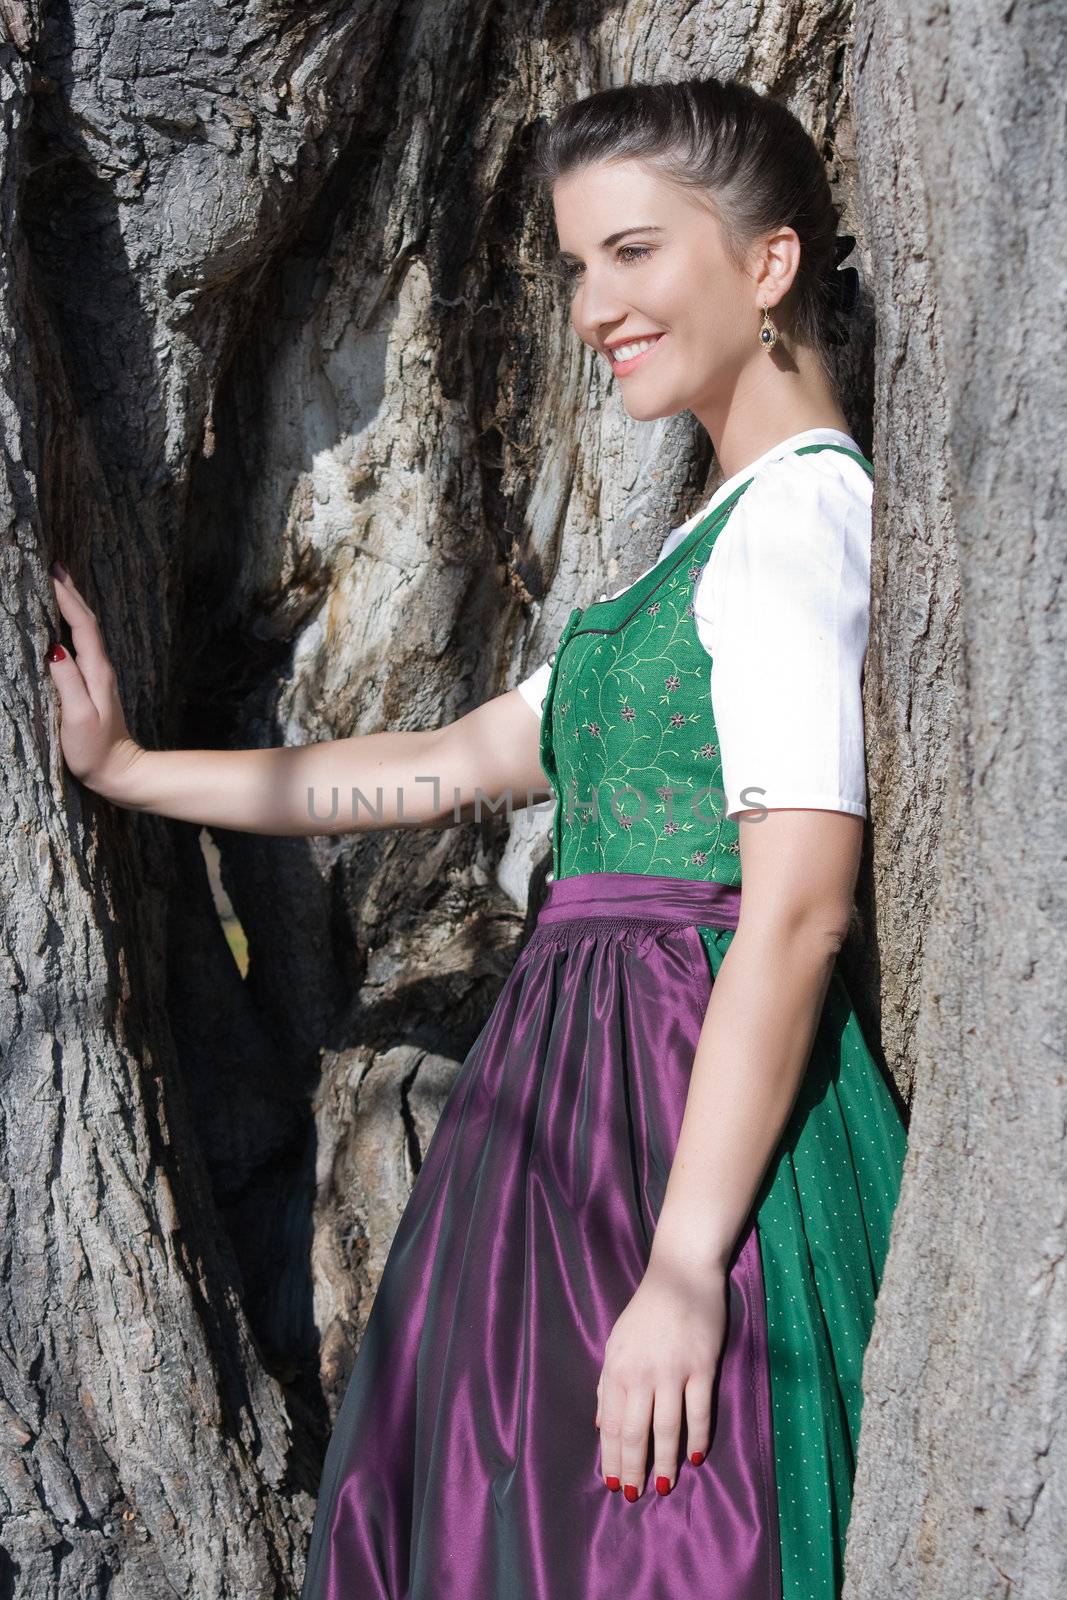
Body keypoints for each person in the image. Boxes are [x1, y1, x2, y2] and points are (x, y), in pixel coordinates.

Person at [45, 76, 907, 1600]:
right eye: (578, 267)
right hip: (587, 1092)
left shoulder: (798, 518)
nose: (592, 306)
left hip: (680, 1110)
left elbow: (795, 911)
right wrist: (128, 769)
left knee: (652, 1533)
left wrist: (687, 1266)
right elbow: (442, 764)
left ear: (766, 266)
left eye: (633, 253)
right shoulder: (712, 533)